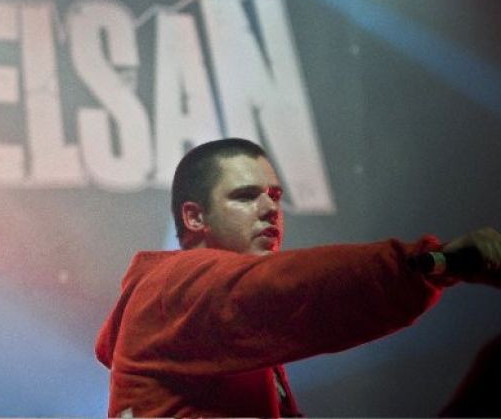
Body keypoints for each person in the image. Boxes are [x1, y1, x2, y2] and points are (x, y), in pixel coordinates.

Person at [95, 138, 501, 417]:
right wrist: (440, 261)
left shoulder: (213, 318)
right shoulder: (173, 286)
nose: (270, 209)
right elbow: (298, 286)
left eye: (274, 196)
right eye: (245, 196)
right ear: (195, 217)